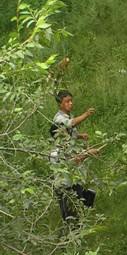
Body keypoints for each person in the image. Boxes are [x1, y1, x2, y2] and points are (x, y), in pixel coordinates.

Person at [50, 90, 98, 222]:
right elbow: (70, 124)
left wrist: (79, 136)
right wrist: (86, 114)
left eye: (71, 101)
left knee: (79, 189)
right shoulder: (59, 119)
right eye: (67, 101)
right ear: (60, 104)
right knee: (70, 197)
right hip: (64, 171)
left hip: (70, 169)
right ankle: (73, 226)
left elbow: (69, 132)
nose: (70, 104)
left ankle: (79, 220)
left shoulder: (67, 116)